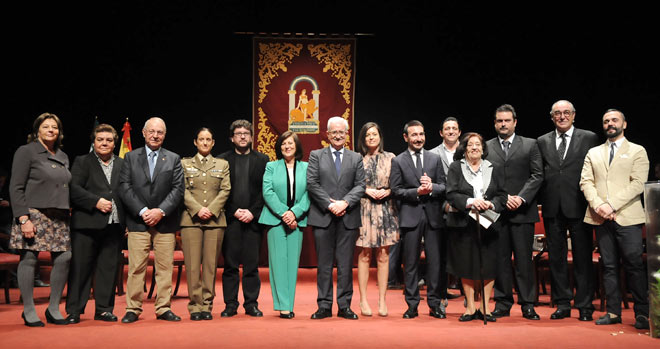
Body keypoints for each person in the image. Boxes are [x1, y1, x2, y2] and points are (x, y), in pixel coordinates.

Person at [580, 109, 649, 329]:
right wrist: (599, 206)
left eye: (614, 120)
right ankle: (613, 312)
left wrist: (611, 205)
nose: (610, 124)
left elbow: (638, 184)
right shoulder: (593, 152)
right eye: (606, 121)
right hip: (601, 218)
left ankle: (642, 314)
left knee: (634, 265)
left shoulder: (638, 151)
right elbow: (586, 182)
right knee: (608, 266)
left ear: (624, 124)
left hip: (627, 217)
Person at [536, 100, 599, 321]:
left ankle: (584, 305)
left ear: (573, 115)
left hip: (580, 206)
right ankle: (562, 303)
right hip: (552, 207)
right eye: (557, 114)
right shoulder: (542, 141)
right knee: (557, 259)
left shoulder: (589, 137)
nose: (562, 117)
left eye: (566, 113)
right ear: (552, 117)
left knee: (583, 259)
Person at [118, 117, 184, 323]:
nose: (155, 135)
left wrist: (160, 211)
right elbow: (124, 187)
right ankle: (133, 308)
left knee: (165, 267)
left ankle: (163, 308)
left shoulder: (173, 158)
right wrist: (143, 210)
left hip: (165, 223)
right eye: (152, 131)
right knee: (136, 267)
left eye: (160, 132)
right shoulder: (130, 157)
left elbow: (178, 189)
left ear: (164, 135)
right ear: (144, 133)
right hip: (138, 221)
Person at [9, 112, 72, 327]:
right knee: (29, 259)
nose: (51, 130)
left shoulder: (63, 156)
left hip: (60, 216)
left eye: (55, 127)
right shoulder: (26, 152)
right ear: (37, 131)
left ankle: (53, 308)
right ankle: (28, 310)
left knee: (64, 258)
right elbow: (15, 187)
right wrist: (23, 218)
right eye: (46, 127)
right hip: (33, 213)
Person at [485, 104, 543, 320]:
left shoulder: (530, 144)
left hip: (523, 211)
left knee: (523, 260)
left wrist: (520, 197)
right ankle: (503, 302)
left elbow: (537, 175)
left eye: (507, 120)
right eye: (499, 120)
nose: (503, 124)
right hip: (497, 212)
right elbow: (483, 177)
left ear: (515, 122)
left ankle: (528, 304)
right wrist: (502, 198)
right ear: (494, 123)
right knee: (500, 260)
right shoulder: (487, 146)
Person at [65, 124, 125, 324]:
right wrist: (95, 201)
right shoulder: (82, 162)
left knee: (108, 269)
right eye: (100, 139)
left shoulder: (123, 164)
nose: (105, 143)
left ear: (114, 143)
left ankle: (104, 309)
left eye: (109, 140)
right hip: (86, 225)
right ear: (94, 142)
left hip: (114, 226)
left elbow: (127, 193)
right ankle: (74, 310)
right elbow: (73, 189)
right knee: (81, 269)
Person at [307, 116, 365, 320]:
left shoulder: (356, 157)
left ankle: (344, 306)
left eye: (342, 132)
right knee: (323, 264)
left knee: (345, 265)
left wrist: (345, 203)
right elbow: (312, 183)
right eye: (334, 132)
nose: (338, 135)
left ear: (347, 134)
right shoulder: (316, 155)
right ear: (327, 134)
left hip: (348, 217)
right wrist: (331, 204)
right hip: (323, 216)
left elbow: (360, 185)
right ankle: (323, 305)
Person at [446, 132, 507, 322]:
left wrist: (491, 204)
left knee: (488, 265)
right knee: (467, 264)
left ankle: (486, 307)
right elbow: (451, 193)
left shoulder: (493, 167)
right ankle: (470, 307)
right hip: (464, 223)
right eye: (470, 145)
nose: (474, 148)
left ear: (483, 148)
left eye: (478, 145)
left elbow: (502, 195)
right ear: (464, 148)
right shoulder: (456, 167)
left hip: (488, 223)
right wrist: (471, 201)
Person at [389, 120, 446, 319]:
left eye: (421, 134)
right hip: (410, 216)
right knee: (411, 263)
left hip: (433, 216)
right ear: (406, 137)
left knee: (435, 263)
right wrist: (416, 192)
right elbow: (395, 190)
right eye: (414, 135)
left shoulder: (434, 158)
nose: (418, 138)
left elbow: (444, 187)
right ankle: (412, 305)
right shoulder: (398, 161)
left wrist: (432, 188)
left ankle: (435, 304)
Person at [218, 119, 269, 317]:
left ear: (251, 137)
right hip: (230, 219)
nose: (242, 136)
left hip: (253, 221)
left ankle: (251, 304)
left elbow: (265, 191)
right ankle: (230, 305)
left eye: (246, 133)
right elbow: (220, 191)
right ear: (232, 137)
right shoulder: (222, 160)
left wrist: (252, 212)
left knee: (251, 265)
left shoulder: (263, 160)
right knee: (230, 265)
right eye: (238, 133)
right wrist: (234, 211)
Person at [180, 127, 230, 321]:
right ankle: (195, 306)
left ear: (213, 142)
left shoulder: (222, 164)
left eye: (208, 139)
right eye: (201, 139)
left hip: (215, 220)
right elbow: (181, 190)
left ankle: (207, 305)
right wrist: (197, 209)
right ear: (195, 142)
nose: (205, 143)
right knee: (192, 266)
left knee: (210, 266)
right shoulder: (184, 163)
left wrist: (211, 209)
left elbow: (225, 189)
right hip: (191, 219)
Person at [258, 131, 310, 319]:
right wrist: (284, 213)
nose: (287, 146)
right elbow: (267, 191)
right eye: (283, 144)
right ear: (279, 148)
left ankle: (289, 303)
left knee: (291, 264)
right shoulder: (271, 166)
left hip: (297, 220)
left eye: (290, 143)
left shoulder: (306, 167)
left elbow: (309, 194)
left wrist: (294, 213)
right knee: (278, 263)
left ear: (297, 146)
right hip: (275, 220)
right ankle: (283, 306)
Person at [355, 122, 399, 317]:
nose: (371, 137)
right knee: (365, 255)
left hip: (386, 209)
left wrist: (388, 191)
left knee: (383, 255)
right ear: (363, 139)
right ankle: (363, 300)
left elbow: (398, 184)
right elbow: (352, 184)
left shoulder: (391, 158)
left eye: (374, 134)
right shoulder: (357, 159)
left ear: (380, 136)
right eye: (367, 135)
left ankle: (382, 300)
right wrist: (366, 190)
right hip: (364, 208)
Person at [429, 116, 462, 303]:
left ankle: (469, 294)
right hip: (440, 210)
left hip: (464, 210)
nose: (451, 131)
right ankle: (441, 292)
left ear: (459, 132)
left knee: (463, 252)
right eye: (447, 128)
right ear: (441, 133)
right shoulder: (432, 154)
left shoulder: (468, 151)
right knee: (440, 254)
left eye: (454, 128)